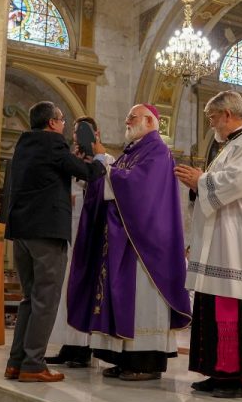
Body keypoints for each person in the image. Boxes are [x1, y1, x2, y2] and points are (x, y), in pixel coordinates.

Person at [68, 104, 191, 381]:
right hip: (124, 239)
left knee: (142, 299)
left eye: (132, 117)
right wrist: (100, 169)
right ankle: (124, 358)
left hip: (145, 245)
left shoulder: (158, 150)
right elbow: (116, 182)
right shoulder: (133, 151)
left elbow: (139, 187)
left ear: (149, 121)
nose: (126, 120)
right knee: (122, 297)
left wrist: (105, 165)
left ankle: (145, 362)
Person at [175, 90, 242, 399]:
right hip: (223, 240)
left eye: (212, 119)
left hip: (241, 245)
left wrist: (201, 181)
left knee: (231, 310)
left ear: (227, 114)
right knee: (213, 306)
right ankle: (219, 371)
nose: (212, 125)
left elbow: (238, 182)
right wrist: (200, 183)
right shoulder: (231, 147)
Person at [4, 101, 106, 383]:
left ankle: (15, 363)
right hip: (46, 232)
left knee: (28, 299)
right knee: (45, 300)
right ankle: (34, 365)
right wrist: (98, 158)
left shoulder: (24, 145)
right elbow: (88, 174)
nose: (63, 125)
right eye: (61, 120)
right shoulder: (53, 144)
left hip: (21, 231)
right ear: (51, 123)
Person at [46, 117, 115, 369]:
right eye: (74, 132)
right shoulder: (70, 157)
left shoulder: (106, 159)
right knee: (67, 286)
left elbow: (109, 189)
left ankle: (84, 347)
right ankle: (68, 343)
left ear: (95, 132)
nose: (76, 136)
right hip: (69, 228)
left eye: (81, 132)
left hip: (91, 232)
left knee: (84, 285)